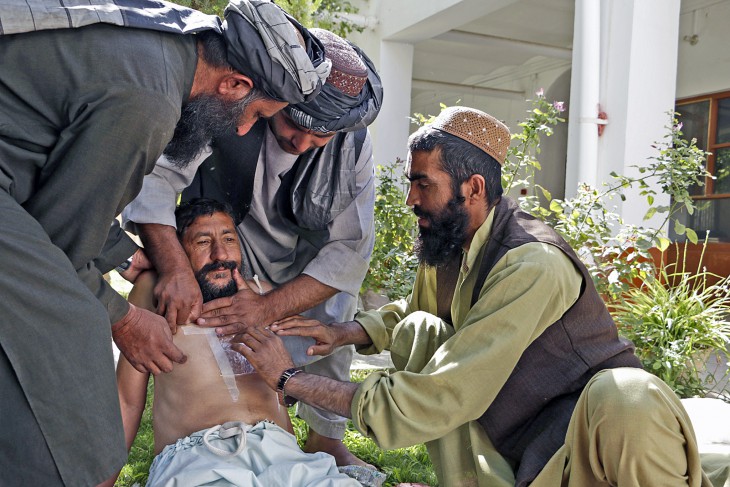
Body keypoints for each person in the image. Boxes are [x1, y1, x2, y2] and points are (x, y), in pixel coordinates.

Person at [233, 107, 714, 487]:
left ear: (473, 187)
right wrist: (343, 333)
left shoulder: (532, 264)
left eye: (423, 184)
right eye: (410, 183)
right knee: (424, 331)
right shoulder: (452, 241)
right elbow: (414, 313)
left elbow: (440, 395)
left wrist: (291, 378)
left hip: (585, 452)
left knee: (627, 394)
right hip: (514, 450)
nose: (410, 200)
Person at [0, 0, 329, 484]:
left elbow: (49, 185)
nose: (241, 129)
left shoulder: (164, 35)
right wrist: (125, 318)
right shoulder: (148, 102)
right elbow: (60, 243)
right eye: (255, 114)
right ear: (235, 85)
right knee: (72, 344)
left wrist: (121, 252)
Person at [120, 27, 383, 466]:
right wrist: (174, 264)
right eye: (292, 123)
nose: (300, 144)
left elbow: (349, 249)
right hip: (228, 242)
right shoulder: (232, 109)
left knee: (337, 303)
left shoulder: (352, 145)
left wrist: (267, 308)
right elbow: (158, 181)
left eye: (318, 138)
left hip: (304, 260)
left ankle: (325, 439)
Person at [105, 199, 383, 486]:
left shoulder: (263, 297)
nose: (220, 254)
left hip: (283, 458)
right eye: (202, 242)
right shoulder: (155, 296)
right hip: (200, 458)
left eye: (228, 239)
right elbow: (126, 401)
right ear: (176, 251)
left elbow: (318, 344)